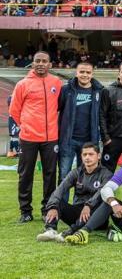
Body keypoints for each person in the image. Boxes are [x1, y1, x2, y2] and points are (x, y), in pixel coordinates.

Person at [9, 51, 63, 223]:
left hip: (51, 137)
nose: (41, 64)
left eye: (44, 61)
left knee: (50, 174)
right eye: (37, 61)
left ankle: (48, 208)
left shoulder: (56, 83)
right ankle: (25, 211)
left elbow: (60, 107)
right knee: (25, 174)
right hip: (29, 137)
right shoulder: (23, 84)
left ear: (50, 64)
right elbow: (14, 111)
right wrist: (26, 125)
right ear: (32, 64)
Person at [36, 143, 113, 242]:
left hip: (97, 217)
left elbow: (101, 193)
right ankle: (51, 230)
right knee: (58, 202)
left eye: (91, 154)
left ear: (98, 156)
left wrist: (89, 205)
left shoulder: (106, 174)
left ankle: (70, 231)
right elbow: (60, 190)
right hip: (78, 212)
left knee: (104, 201)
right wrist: (53, 206)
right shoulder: (76, 172)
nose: (87, 157)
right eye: (84, 155)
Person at [58, 62, 104, 184]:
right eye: (82, 72)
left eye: (88, 72)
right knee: (64, 176)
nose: (85, 75)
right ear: (76, 73)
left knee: (84, 177)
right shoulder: (66, 90)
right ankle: (61, 203)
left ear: (92, 74)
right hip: (68, 140)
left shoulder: (99, 91)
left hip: (88, 142)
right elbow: (57, 110)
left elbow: (102, 115)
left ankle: (80, 203)